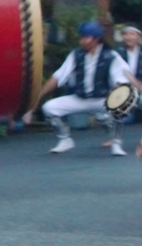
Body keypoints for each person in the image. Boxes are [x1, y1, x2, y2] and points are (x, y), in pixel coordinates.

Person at [23, 21, 129, 155]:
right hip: (80, 98)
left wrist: (116, 98)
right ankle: (65, 139)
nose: (82, 41)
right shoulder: (76, 55)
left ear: (96, 39)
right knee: (49, 108)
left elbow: (120, 80)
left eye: (86, 37)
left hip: (102, 99)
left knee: (119, 109)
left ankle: (117, 143)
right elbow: (59, 77)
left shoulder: (111, 56)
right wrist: (36, 99)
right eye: (82, 37)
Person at [111, 24, 142, 155]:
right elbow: (113, 75)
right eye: (126, 34)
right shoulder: (117, 53)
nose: (128, 37)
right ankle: (115, 140)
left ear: (139, 37)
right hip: (122, 90)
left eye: (132, 34)